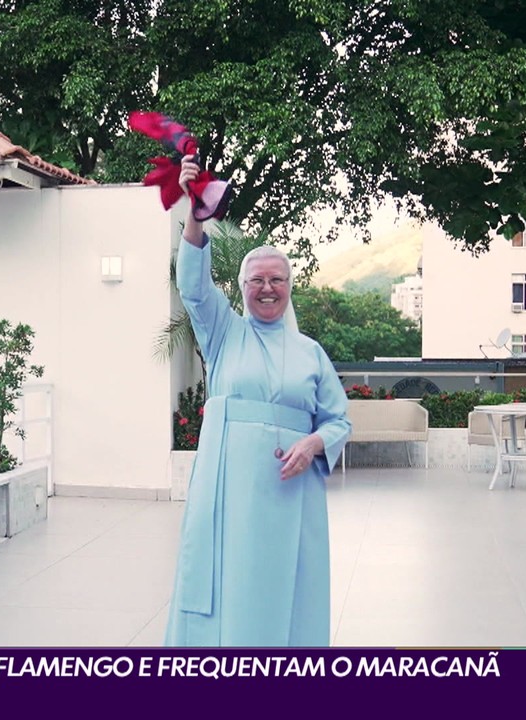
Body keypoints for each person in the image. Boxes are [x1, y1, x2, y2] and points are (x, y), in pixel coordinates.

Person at [165, 156, 351, 647]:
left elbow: (338, 420)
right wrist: (196, 212)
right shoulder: (223, 332)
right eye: (256, 281)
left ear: (290, 287)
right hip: (230, 496)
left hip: (291, 498)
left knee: (285, 595)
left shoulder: (311, 353)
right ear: (242, 288)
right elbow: (192, 286)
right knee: (230, 589)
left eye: (277, 280)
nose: (267, 288)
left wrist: (312, 444)